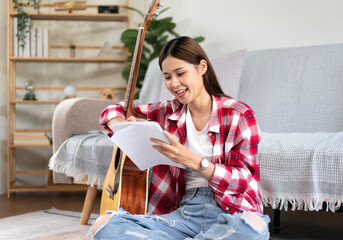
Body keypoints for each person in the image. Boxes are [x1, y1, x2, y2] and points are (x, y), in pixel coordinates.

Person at [90, 36, 270, 240]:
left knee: (251, 228)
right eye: (167, 77)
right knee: (104, 225)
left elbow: (243, 181)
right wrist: (123, 125)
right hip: (184, 215)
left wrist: (192, 160)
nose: (174, 84)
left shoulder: (239, 114)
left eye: (180, 73)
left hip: (231, 211)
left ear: (202, 67)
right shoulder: (168, 112)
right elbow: (112, 110)